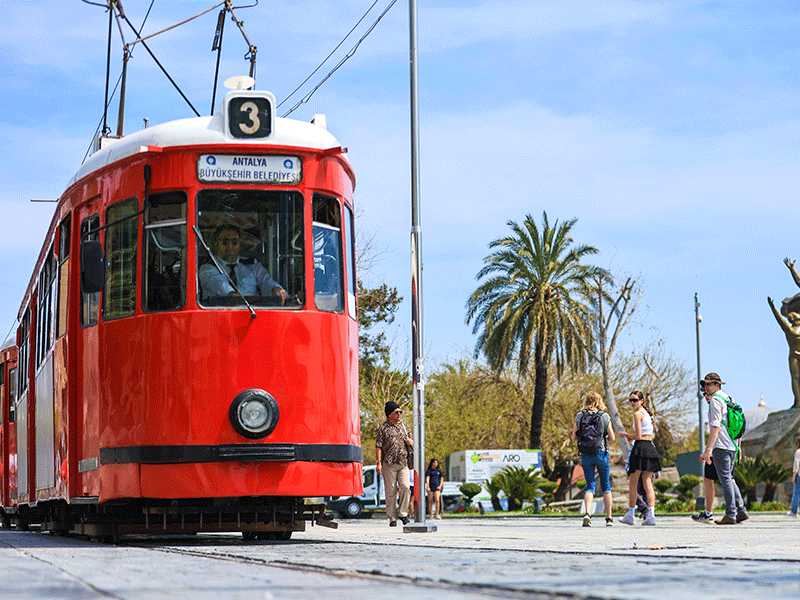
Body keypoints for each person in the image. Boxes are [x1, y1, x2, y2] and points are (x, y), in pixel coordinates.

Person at [698, 372, 749, 525]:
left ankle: (730, 515)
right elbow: (737, 425)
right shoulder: (728, 398)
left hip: (721, 445)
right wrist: (738, 447)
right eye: (705, 384)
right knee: (730, 479)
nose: (706, 387)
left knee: (726, 480)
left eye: (709, 384)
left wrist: (708, 450)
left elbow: (715, 427)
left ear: (717, 385)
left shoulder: (715, 400)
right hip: (732, 446)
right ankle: (741, 511)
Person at [198, 224, 287, 303]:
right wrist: (235, 297)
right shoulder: (207, 268)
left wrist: (276, 289)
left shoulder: (253, 266)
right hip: (220, 317)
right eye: (224, 242)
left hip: (252, 315)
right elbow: (221, 286)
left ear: (239, 245)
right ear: (216, 245)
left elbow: (267, 283)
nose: (230, 246)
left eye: (234, 242)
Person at [571, 391, 616, 527]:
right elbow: (612, 437)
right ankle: (609, 518)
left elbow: (573, 437)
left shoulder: (580, 415)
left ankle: (588, 514)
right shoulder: (604, 416)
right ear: (599, 401)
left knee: (590, 486)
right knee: (606, 486)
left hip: (585, 454)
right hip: (601, 453)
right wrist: (604, 437)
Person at [618, 390, 661, 526]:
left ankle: (630, 514)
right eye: (630, 400)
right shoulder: (648, 414)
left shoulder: (638, 414)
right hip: (650, 447)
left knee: (633, 482)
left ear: (641, 401)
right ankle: (651, 515)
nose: (632, 403)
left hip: (641, 447)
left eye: (635, 400)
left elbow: (637, 436)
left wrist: (625, 434)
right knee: (648, 483)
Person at [375, 401, 413, 526]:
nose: (399, 414)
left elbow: (413, 441)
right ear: (389, 414)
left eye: (400, 412)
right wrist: (379, 463)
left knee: (406, 487)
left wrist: (410, 442)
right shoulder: (383, 428)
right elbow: (379, 446)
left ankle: (403, 513)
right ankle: (392, 517)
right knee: (390, 491)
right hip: (389, 463)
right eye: (396, 412)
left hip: (403, 463)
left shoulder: (405, 427)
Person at [790, 435, 800, 518]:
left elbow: (796, 464)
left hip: (799, 475)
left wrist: (794, 475)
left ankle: (794, 511)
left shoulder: (798, 452)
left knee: (796, 493)